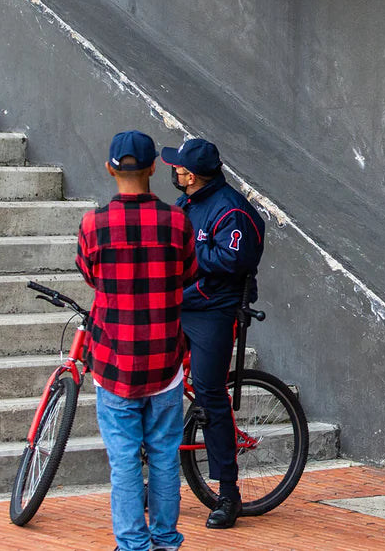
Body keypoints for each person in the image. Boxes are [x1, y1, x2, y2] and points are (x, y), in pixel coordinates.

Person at [75, 130, 197, 551]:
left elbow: (90, 275)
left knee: (124, 459)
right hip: (164, 359)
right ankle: (165, 539)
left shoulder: (93, 224)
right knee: (164, 454)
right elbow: (187, 274)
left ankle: (132, 544)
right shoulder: (177, 221)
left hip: (114, 359)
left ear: (111, 168)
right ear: (151, 169)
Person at [160, 137, 266, 530]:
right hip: (179, 305)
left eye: (180, 167)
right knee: (154, 383)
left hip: (213, 311)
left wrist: (186, 252)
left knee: (209, 391)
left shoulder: (232, 212)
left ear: (195, 174)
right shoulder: (186, 203)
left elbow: (231, 261)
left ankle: (228, 494)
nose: (175, 171)